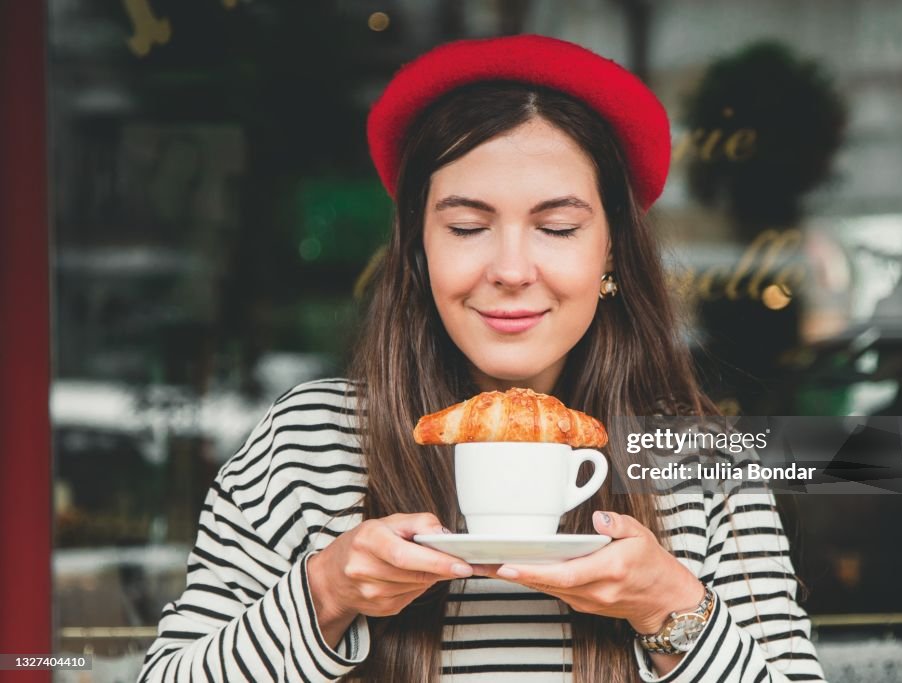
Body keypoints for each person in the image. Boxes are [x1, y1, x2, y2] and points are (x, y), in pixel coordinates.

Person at [138, 34, 825, 682]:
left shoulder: (699, 459)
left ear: (611, 248)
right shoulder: (311, 439)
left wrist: (670, 606)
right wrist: (325, 590)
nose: (511, 268)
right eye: (468, 226)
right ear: (418, 247)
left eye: (556, 227)